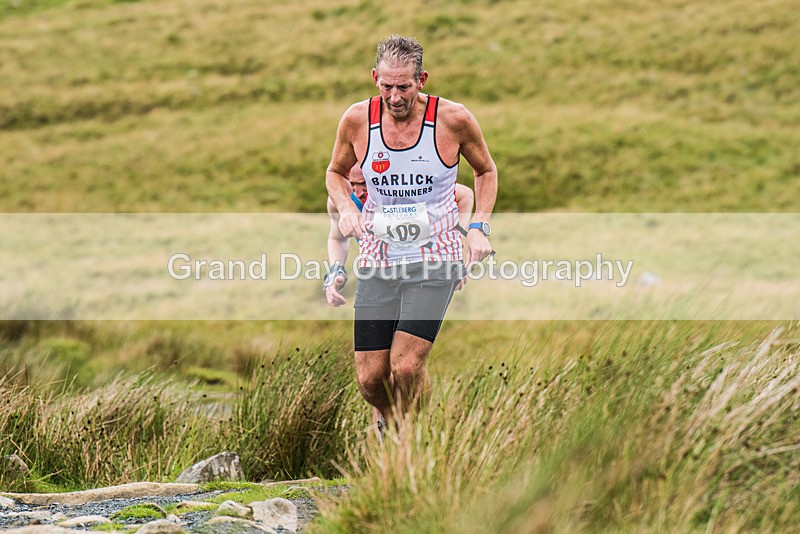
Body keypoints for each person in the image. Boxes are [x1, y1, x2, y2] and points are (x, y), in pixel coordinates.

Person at [325, 35, 497, 427]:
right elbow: (334, 172)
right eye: (386, 86)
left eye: (404, 86)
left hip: (435, 257)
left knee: (405, 368)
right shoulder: (357, 120)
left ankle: (411, 441)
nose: (395, 96)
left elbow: (486, 171)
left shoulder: (453, 119)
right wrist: (349, 208)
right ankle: (391, 422)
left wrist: (478, 228)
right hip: (378, 259)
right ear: (375, 78)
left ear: (422, 79)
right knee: (370, 379)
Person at [324, 163, 475, 307]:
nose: (358, 193)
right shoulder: (341, 202)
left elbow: (465, 196)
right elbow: (337, 238)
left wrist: (453, 253)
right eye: (352, 185)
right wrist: (336, 271)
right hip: (379, 273)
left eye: (364, 184)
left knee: (409, 331)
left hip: (424, 268)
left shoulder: (404, 188)